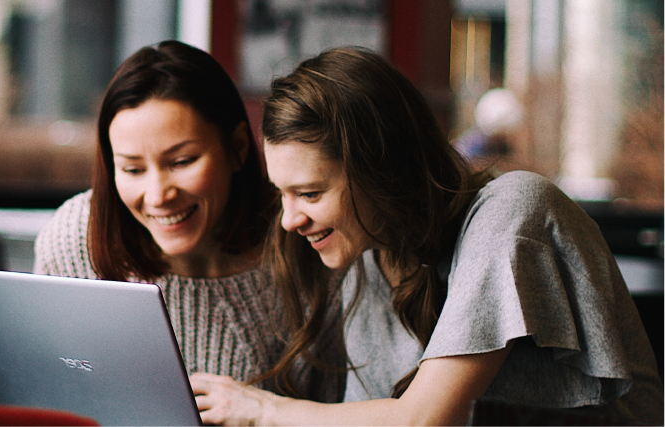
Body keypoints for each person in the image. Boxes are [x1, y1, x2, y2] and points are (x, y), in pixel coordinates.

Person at [189, 47, 665, 426]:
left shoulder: (513, 212)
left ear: (382, 170)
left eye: (310, 193)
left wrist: (261, 410)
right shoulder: (368, 264)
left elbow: (422, 422)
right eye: (283, 195)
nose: (290, 220)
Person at [34, 40, 343, 402]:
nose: (158, 195)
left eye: (181, 162)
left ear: (238, 147)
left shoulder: (310, 239)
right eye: (132, 169)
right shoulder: (74, 237)